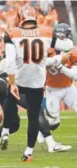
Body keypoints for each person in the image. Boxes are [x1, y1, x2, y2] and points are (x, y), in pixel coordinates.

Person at [0, 5, 54, 161]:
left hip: (20, 78)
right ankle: (29, 152)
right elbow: (58, 49)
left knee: (9, 100)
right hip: (37, 81)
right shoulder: (47, 31)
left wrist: (12, 82)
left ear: (20, 18)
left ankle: (5, 130)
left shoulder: (12, 33)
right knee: (33, 117)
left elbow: (10, 63)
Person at [38, 23, 77, 152]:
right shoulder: (47, 50)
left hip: (68, 87)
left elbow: (75, 75)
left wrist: (61, 67)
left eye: (63, 35)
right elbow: (41, 64)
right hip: (52, 89)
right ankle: (41, 130)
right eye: (59, 35)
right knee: (54, 122)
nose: (61, 37)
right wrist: (56, 60)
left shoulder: (72, 50)